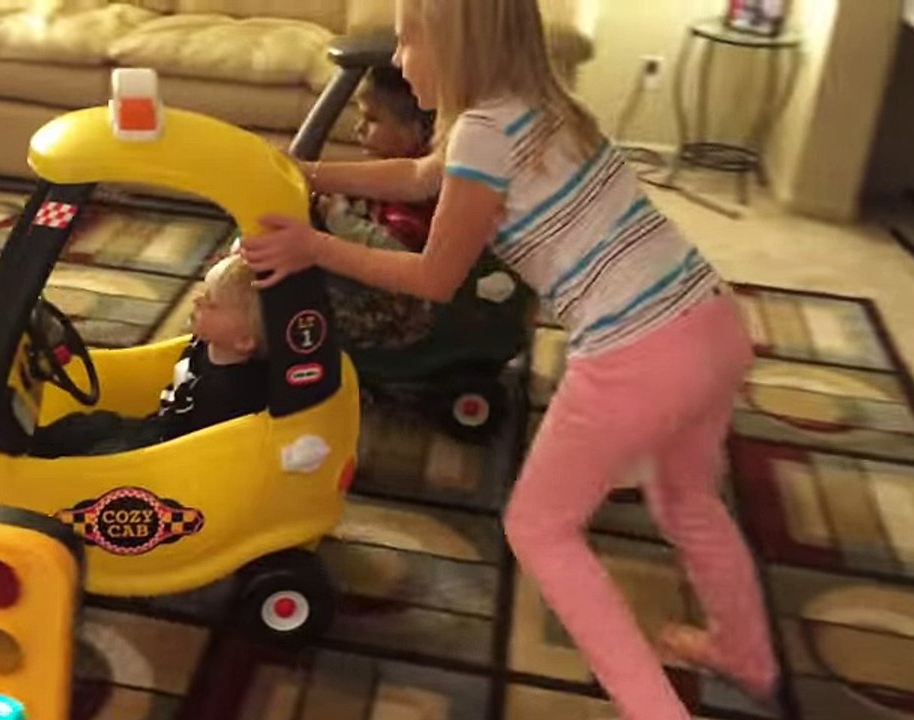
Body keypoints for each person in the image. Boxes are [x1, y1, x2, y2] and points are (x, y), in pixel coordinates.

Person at [239, 1, 778, 717]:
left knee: (539, 528)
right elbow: (421, 176)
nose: (397, 59)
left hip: (634, 353)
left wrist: (315, 247)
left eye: (408, 41)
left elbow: (434, 277)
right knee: (688, 499)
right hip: (711, 321)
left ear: (459, 47)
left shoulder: (481, 133)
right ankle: (745, 653)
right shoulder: (533, 106)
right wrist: (310, 172)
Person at [32, 253, 267, 457]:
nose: (197, 300)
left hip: (169, 453)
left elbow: (206, 452)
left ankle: (36, 475)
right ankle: (31, 450)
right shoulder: (211, 341)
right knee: (87, 426)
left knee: (101, 453)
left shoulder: (232, 393)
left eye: (211, 304)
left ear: (243, 340)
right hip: (156, 426)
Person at [322, 65, 439, 351]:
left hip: (411, 311)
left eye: (372, 119)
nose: (358, 128)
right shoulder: (394, 171)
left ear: (416, 129)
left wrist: (339, 219)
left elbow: (397, 248)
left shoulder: (419, 190)